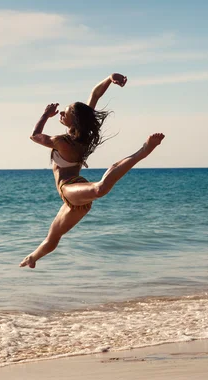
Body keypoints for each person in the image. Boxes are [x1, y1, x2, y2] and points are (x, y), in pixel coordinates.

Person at [19, 73, 165, 268]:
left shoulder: (60, 141)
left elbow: (35, 135)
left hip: (70, 189)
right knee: (52, 238)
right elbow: (94, 95)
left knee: (100, 189)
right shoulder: (83, 134)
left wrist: (46, 114)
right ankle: (32, 258)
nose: (61, 114)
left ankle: (143, 151)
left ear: (75, 120)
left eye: (66, 113)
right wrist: (109, 78)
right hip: (74, 201)